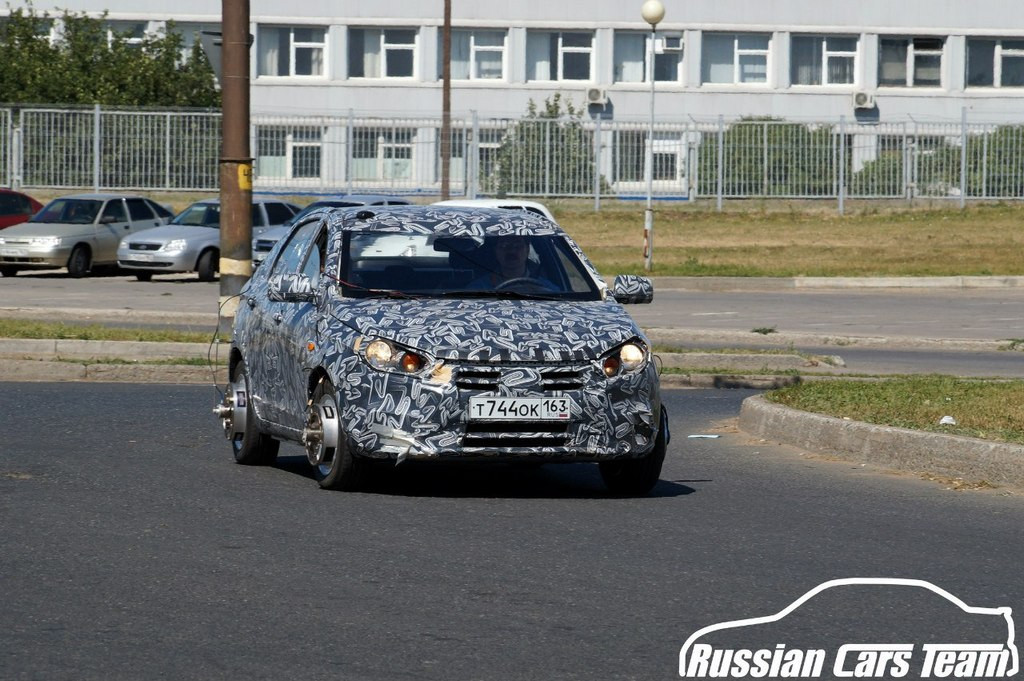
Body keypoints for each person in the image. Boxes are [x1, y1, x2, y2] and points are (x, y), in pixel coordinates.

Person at [467, 235, 552, 290]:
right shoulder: (477, 289)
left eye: (517, 246)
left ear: (527, 250)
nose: (511, 251)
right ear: (496, 251)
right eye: (504, 246)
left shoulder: (547, 289)